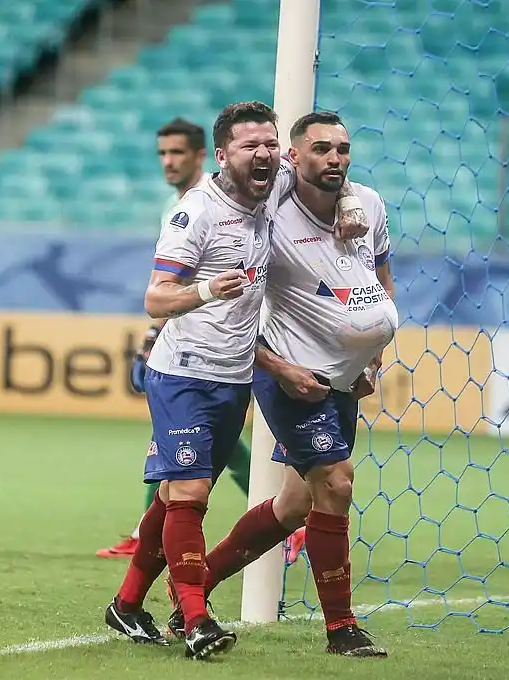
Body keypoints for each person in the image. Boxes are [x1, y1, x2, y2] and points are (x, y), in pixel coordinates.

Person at [103, 101, 369, 660]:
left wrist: (346, 203)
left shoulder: (273, 187)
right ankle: (196, 619)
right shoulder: (195, 212)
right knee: (191, 494)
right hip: (183, 372)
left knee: (174, 496)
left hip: (235, 376)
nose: (265, 154)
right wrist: (205, 290)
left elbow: (326, 171)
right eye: (251, 146)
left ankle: (126, 604)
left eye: (271, 144)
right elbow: (155, 299)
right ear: (222, 156)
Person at [165, 111, 395, 658]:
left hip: (343, 378)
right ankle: (342, 629)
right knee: (337, 483)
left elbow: (381, 279)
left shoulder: (368, 205)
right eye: (320, 149)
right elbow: (237, 309)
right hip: (292, 376)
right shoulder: (267, 210)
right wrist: (279, 368)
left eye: (342, 149)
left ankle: (191, 589)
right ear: (294, 157)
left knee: (294, 505)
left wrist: (373, 355)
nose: (334, 158)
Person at [97, 117, 254, 560]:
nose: (168, 161)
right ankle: (145, 534)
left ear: (202, 155)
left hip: (223, 343)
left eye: (177, 152)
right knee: (182, 440)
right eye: (163, 153)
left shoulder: (214, 202)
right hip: (185, 342)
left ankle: (283, 514)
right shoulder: (175, 205)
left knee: (193, 443)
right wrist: (155, 332)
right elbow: (171, 285)